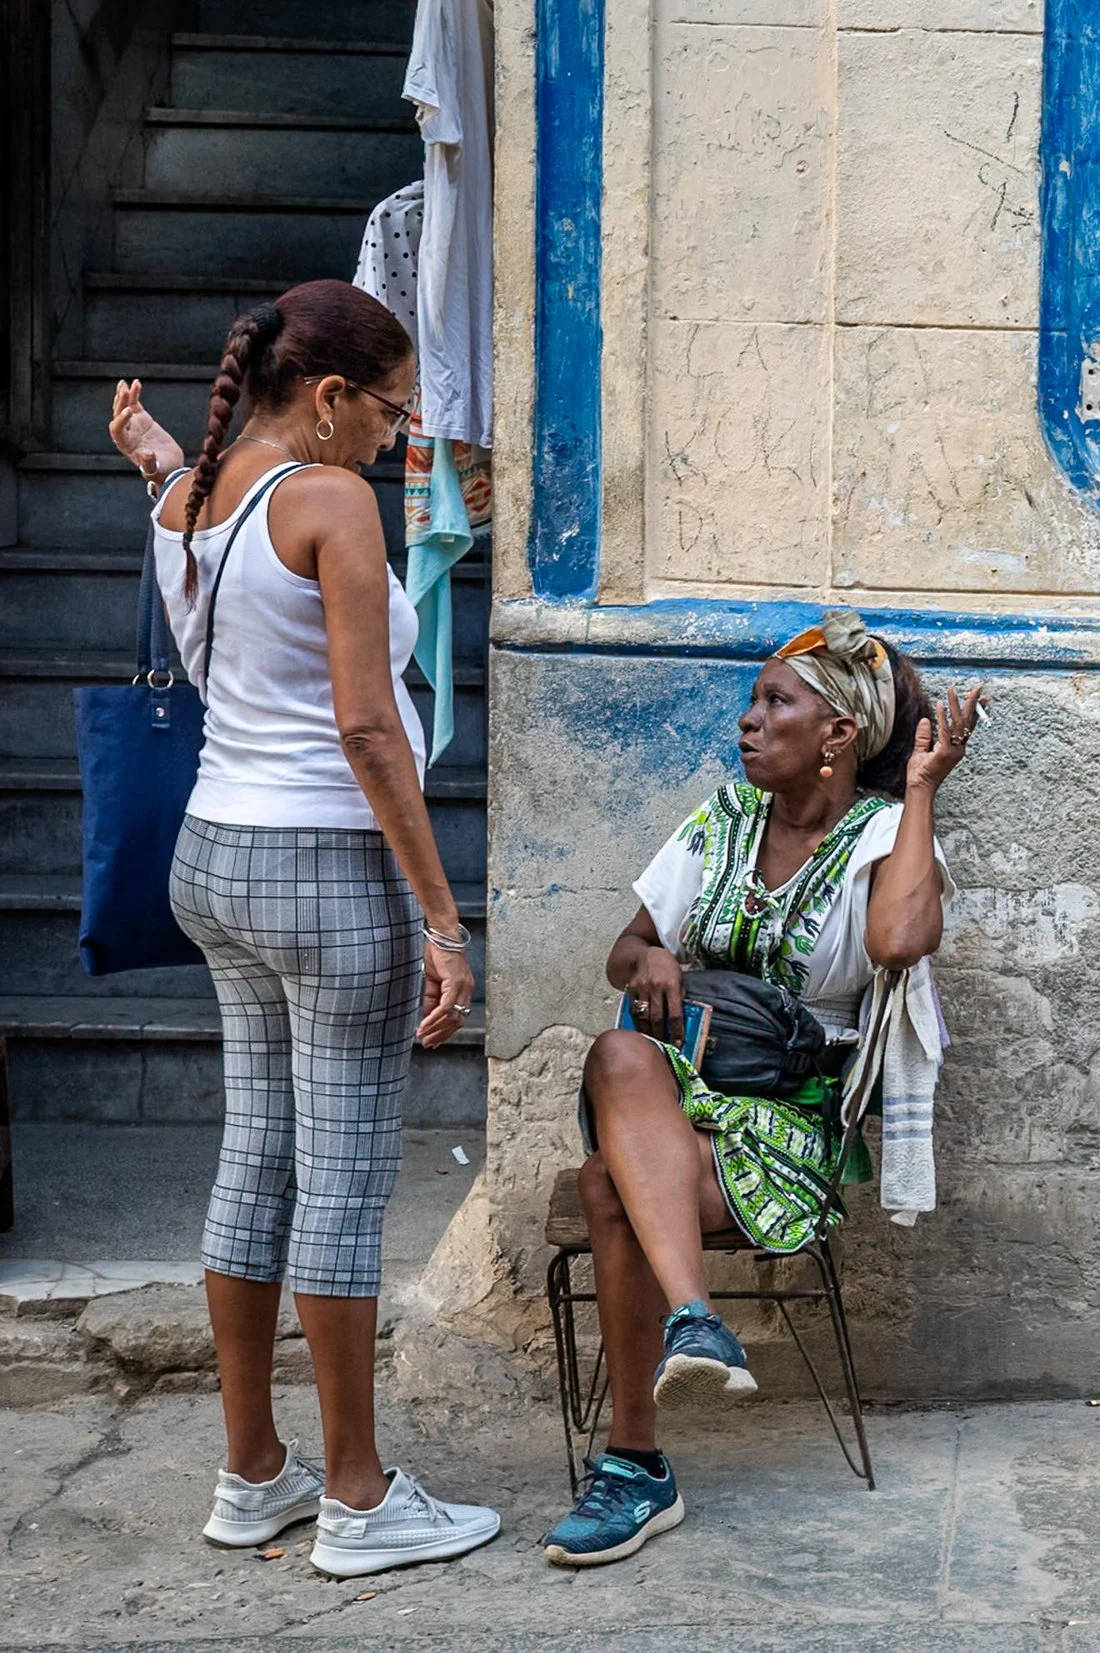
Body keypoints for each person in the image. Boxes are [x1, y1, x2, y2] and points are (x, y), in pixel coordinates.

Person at [106, 280, 500, 1575]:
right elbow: (367, 726)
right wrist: (443, 919)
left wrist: (156, 452)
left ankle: (251, 1473)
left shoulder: (189, 494)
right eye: (391, 410)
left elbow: (191, 504)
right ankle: (359, 1498)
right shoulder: (328, 501)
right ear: (328, 396)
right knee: (340, 1181)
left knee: (255, 1158)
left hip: (213, 854)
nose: (396, 437)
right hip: (321, 867)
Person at [539, 611, 982, 1566]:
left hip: (789, 1125)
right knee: (618, 1055)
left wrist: (921, 791)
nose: (748, 718)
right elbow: (624, 948)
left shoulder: (882, 835)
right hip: (674, 1098)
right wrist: (651, 958)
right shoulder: (721, 821)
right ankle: (696, 1324)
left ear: (837, 735)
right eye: (752, 700)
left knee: (606, 1187)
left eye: (775, 701)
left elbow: (900, 943)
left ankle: (634, 1466)